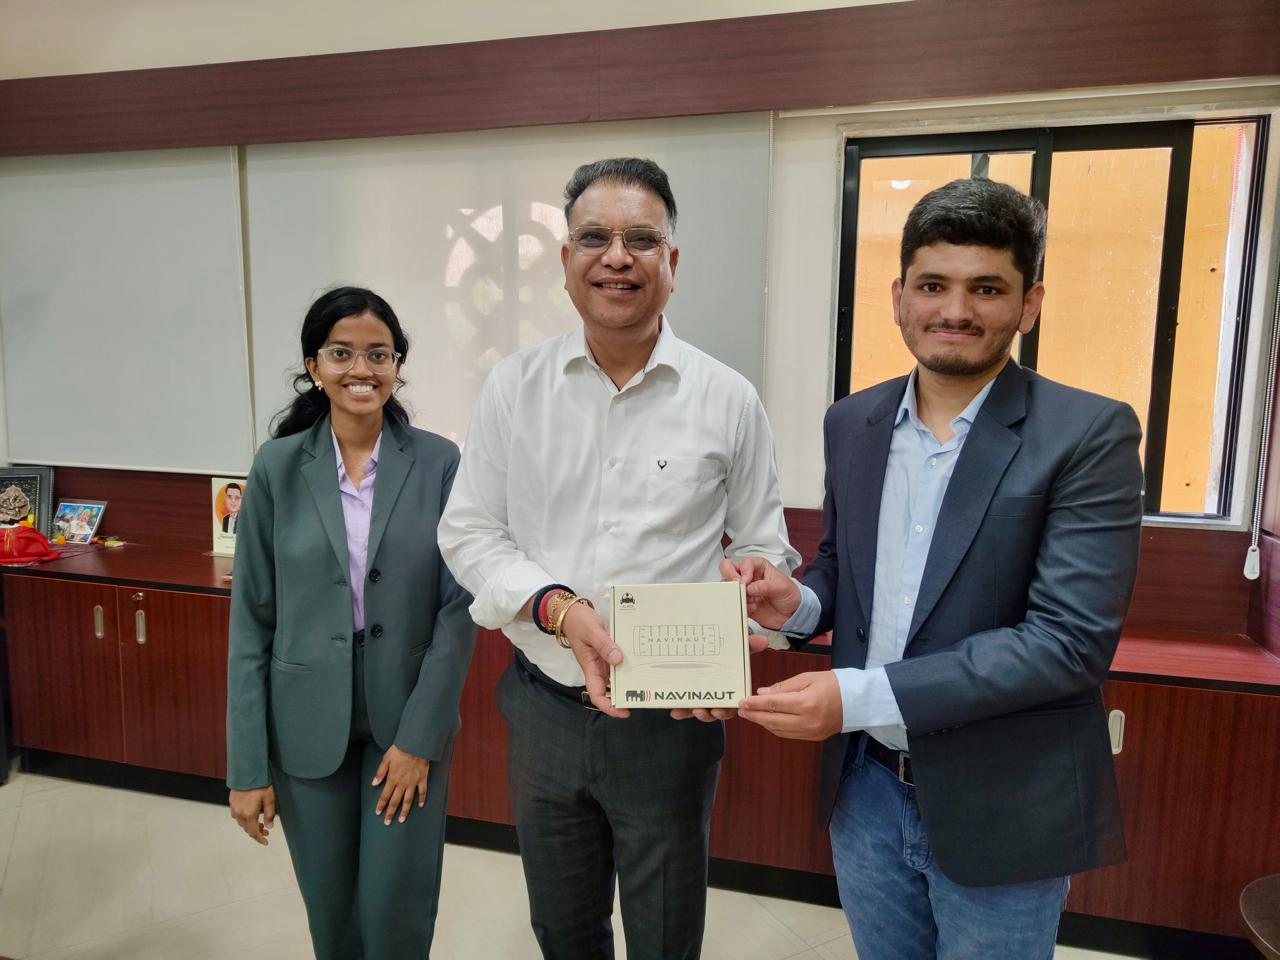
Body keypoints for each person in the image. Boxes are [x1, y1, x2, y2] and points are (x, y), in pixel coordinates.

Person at [728, 178, 1143, 960]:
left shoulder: (1088, 433)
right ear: (899, 297)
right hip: (865, 788)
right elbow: (842, 568)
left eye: (987, 288)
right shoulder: (852, 421)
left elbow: (1068, 643)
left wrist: (853, 696)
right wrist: (799, 605)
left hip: (1004, 801)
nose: (955, 310)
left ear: (1029, 303)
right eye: (933, 285)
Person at [438, 157, 799, 960]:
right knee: (563, 930)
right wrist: (557, 608)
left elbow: (762, 547)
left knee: (666, 936)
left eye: (642, 239)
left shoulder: (728, 397)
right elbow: (469, 532)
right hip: (543, 707)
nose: (617, 257)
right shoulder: (513, 388)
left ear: (672, 261)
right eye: (594, 237)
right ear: (566, 259)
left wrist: (745, 615)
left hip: (671, 724)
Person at [226, 286, 475, 960]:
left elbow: (459, 608)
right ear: (314, 365)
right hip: (306, 719)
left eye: (379, 354)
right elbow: (250, 623)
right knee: (332, 915)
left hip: (406, 717)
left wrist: (421, 737)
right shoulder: (278, 467)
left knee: (396, 906)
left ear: (397, 367)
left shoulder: (439, 462)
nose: (361, 369)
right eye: (342, 353)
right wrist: (246, 767)